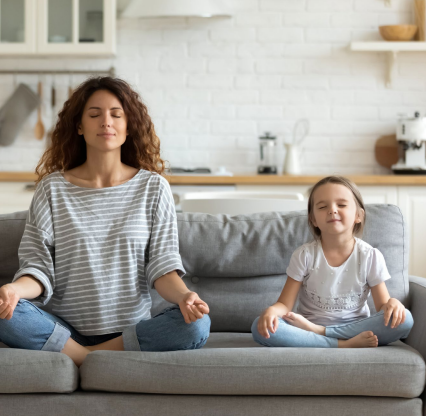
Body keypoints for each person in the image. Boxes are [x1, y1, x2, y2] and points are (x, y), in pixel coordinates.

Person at [0, 77, 210, 367]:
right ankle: (89, 355)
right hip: (64, 329)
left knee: (197, 325)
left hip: (129, 331)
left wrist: (186, 296)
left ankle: (84, 359)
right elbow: (37, 268)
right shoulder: (52, 189)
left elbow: (162, 268)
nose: (106, 122)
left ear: (128, 126)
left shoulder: (153, 188)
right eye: (95, 114)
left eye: (116, 114)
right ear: (79, 126)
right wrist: (14, 291)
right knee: (5, 316)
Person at [252, 175, 413, 348]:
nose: (332, 210)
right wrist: (272, 311)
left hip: (350, 328)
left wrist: (393, 304)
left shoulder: (370, 255)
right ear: (313, 219)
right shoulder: (304, 255)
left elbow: (383, 306)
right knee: (258, 327)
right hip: (306, 328)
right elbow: (284, 304)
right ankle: (342, 344)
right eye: (322, 207)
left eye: (341, 205)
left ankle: (322, 334)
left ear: (358, 215)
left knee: (406, 319)